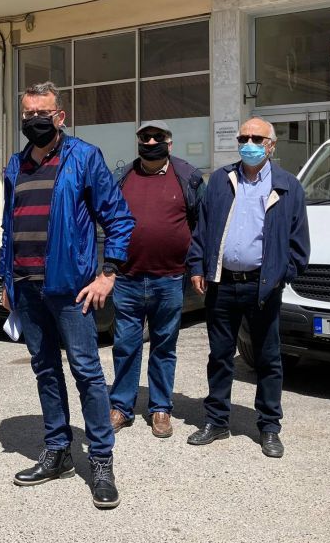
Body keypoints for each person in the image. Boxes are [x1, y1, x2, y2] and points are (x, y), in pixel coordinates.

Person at [0, 82, 135, 510]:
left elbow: (119, 218)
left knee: (87, 373)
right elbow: (9, 227)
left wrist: (108, 274)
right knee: (44, 369)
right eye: (27, 114)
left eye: (42, 114)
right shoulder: (15, 164)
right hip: (26, 286)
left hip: (71, 288)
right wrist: (8, 282)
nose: (34, 121)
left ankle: (101, 460)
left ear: (60, 117)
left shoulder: (84, 157)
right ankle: (57, 450)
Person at [186, 117, 309, 458]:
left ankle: (269, 427)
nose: (249, 144)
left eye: (256, 138)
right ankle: (216, 421)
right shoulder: (220, 180)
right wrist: (197, 265)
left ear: (271, 145)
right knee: (220, 356)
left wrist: (281, 275)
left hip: (262, 287)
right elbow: (202, 228)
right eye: (243, 138)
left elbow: (299, 244)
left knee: (268, 359)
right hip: (223, 284)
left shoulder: (288, 186)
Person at [109, 120, 204, 439]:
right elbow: (109, 221)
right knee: (125, 345)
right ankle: (121, 407)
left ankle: (161, 408)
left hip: (170, 278)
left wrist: (196, 266)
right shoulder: (121, 177)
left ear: (169, 143)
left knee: (164, 345)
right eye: (145, 137)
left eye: (157, 137)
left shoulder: (188, 177)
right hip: (128, 277)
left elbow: (199, 225)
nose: (151, 142)